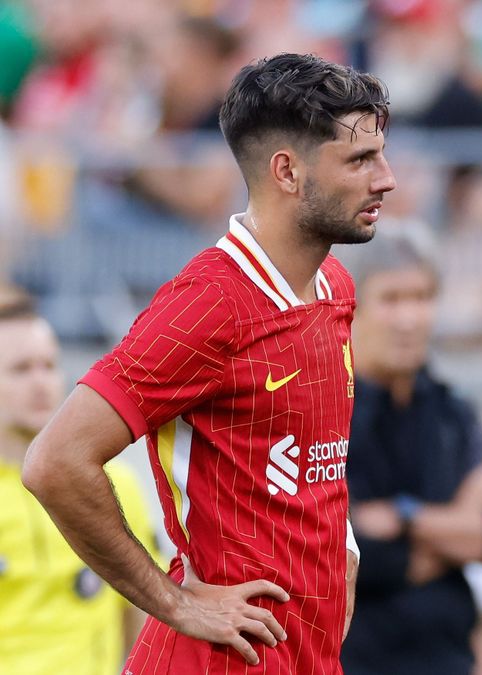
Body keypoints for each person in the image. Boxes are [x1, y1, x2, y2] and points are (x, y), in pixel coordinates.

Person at [21, 52, 396, 673]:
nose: (385, 178)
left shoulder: (334, 286)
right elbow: (55, 462)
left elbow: (311, 458)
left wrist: (343, 548)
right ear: (287, 171)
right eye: (360, 160)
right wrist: (176, 604)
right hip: (215, 660)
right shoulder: (208, 307)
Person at [339, 224, 482, 675]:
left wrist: (403, 517)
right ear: (354, 308)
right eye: (392, 299)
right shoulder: (325, 412)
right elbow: (349, 557)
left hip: (449, 659)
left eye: (422, 298)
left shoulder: (452, 412)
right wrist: (459, 525)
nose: (410, 318)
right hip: (356, 660)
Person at [0, 296, 161, 674]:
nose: (41, 382)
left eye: (49, 366)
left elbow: (143, 615)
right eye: (21, 369)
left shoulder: (115, 485)